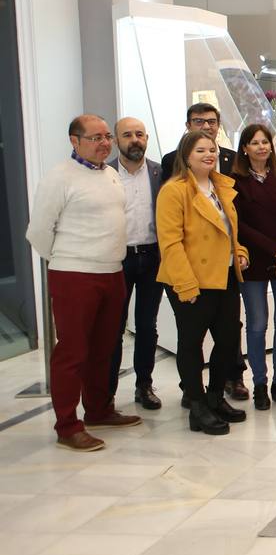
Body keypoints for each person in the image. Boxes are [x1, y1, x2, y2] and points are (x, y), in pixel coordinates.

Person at [26, 115, 142, 451]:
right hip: (74, 275)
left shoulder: (111, 175)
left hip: (112, 272)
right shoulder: (59, 177)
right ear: (75, 141)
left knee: (104, 348)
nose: (105, 143)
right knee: (73, 351)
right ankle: (67, 425)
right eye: (96, 138)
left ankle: (99, 410)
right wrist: (69, 259)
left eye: (107, 136)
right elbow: (38, 233)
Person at [157, 130, 250, 435]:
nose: (209, 155)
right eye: (200, 151)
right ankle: (196, 405)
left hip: (224, 277)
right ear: (186, 155)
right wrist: (185, 285)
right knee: (191, 343)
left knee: (226, 341)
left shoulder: (220, 186)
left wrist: (240, 252)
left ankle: (214, 398)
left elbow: (231, 230)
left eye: (211, 149)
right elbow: (170, 243)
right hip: (191, 280)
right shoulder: (174, 191)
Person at [232, 124, 276, 410]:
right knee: (257, 324)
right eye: (255, 143)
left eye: (265, 142)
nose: (262, 147)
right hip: (254, 261)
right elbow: (240, 225)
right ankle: (259, 383)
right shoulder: (235, 181)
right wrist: (275, 250)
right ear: (245, 148)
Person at [109, 117, 165, 410]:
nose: (135, 140)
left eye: (140, 134)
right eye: (127, 135)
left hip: (152, 257)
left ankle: (144, 385)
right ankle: (107, 392)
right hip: (117, 260)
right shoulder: (104, 173)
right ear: (116, 139)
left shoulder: (159, 172)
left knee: (147, 325)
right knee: (113, 327)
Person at [159, 102, 236, 177]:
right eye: (199, 122)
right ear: (188, 126)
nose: (206, 126)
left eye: (211, 122)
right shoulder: (172, 160)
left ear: (218, 125)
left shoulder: (234, 158)